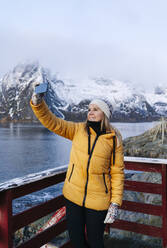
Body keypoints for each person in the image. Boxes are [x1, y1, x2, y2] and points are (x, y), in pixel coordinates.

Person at [30, 88, 124, 248]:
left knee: (96, 242)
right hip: (73, 196)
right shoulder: (78, 130)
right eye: (89, 109)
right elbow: (53, 122)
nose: (90, 112)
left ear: (105, 114)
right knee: (77, 241)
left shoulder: (114, 139)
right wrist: (38, 103)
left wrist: (115, 203)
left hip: (99, 200)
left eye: (95, 109)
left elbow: (117, 172)